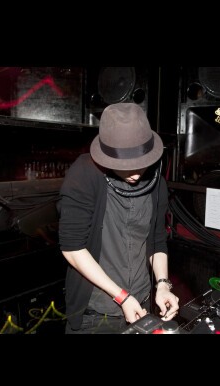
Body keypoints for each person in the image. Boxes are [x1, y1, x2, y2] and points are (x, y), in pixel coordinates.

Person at [57, 103, 179, 334]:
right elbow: (73, 248)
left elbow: (157, 241)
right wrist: (122, 297)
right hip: (96, 312)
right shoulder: (84, 174)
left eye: (141, 164)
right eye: (125, 165)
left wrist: (163, 284)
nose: (136, 173)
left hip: (142, 302)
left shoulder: (156, 181)